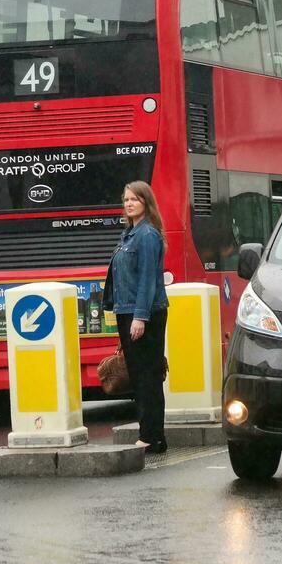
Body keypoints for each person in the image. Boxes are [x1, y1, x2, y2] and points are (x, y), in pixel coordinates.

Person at [103, 181, 169, 454]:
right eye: (126, 199)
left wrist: (140, 318)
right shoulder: (129, 234)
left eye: (135, 199)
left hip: (145, 312)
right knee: (141, 375)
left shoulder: (147, 235)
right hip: (127, 310)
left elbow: (147, 281)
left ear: (146, 203)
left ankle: (151, 436)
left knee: (147, 377)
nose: (129, 203)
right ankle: (153, 436)